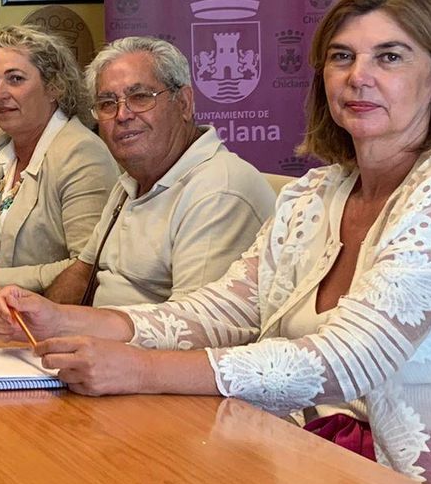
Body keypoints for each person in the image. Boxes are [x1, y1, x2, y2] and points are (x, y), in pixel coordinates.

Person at [0, 0, 431, 484]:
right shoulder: (316, 194)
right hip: (340, 466)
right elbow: (225, 309)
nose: (358, 78)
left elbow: (349, 360)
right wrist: (72, 320)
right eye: (342, 58)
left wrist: (136, 367)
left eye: (389, 58)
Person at [36, 36, 276, 307]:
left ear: (184, 103)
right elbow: (82, 274)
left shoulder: (220, 189)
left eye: (139, 98)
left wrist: (76, 330)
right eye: (107, 103)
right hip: (99, 341)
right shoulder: (131, 181)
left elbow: (193, 330)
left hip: (137, 346)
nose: (122, 115)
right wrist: (37, 322)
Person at [0, 25, 116, 290]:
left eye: (15, 79)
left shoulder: (82, 153)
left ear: (55, 86)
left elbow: (88, 267)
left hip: (37, 314)